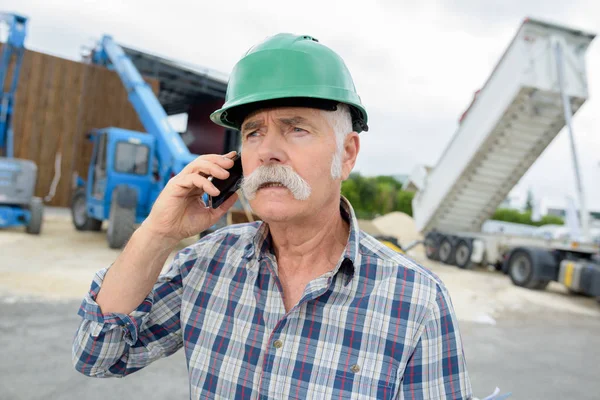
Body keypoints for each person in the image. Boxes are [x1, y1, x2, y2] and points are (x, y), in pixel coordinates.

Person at [72, 33, 473, 399]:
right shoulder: (206, 264)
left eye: (296, 128)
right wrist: (158, 232)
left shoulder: (415, 301)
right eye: (253, 133)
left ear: (347, 154)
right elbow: (99, 353)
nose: (268, 151)